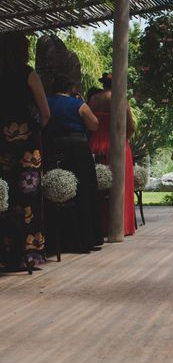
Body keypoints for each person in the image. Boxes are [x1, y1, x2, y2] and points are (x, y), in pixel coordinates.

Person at [0, 31, 50, 272]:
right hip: (28, 148)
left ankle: (5, 251)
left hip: (3, 145)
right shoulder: (29, 74)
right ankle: (29, 254)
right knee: (28, 200)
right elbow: (45, 112)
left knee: (4, 199)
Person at [43, 75, 102, 253]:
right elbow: (94, 125)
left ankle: (55, 239)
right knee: (83, 190)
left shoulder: (46, 101)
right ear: (71, 88)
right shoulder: (78, 105)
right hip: (77, 149)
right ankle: (84, 239)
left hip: (51, 147)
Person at [89, 73, 137, 236]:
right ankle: (120, 225)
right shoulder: (120, 98)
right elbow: (130, 126)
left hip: (95, 144)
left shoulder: (94, 99)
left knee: (98, 186)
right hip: (116, 144)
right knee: (120, 184)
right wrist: (122, 139)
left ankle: (100, 225)